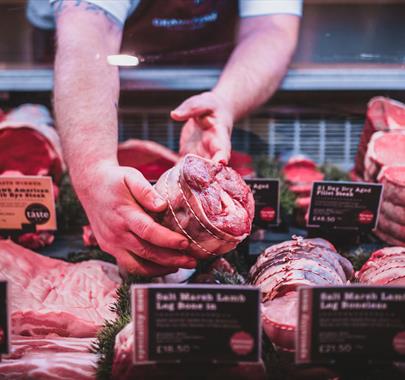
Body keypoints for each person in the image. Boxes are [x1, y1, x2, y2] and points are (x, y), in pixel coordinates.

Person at [27, 0, 302, 276]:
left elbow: (270, 28)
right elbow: (88, 38)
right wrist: (93, 168)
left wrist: (224, 99)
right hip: (90, 77)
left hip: (216, 66)